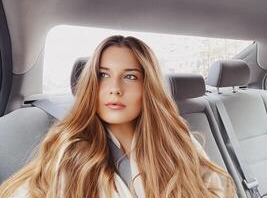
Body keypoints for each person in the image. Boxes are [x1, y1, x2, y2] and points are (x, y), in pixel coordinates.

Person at [0, 35, 236, 198]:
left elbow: (217, 188)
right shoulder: (71, 149)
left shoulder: (179, 141)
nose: (115, 88)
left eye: (130, 77)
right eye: (103, 75)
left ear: (148, 86)